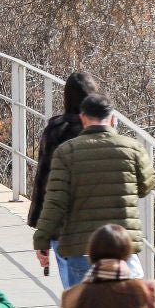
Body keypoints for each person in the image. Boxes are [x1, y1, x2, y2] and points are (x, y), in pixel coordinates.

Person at [31, 93, 155, 287]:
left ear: (83, 118)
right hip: (122, 246)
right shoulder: (133, 149)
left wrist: (42, 240)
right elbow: (146, 186)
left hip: (81, 249)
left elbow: (55, 202)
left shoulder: (66, 152)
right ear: (113, 118)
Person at [27, 71, 97, 276]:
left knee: (74, 295)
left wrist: (41, 232)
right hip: (102, 230)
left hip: (64, 228)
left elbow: (43, 182)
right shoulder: (105, 132)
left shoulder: (56, 130)